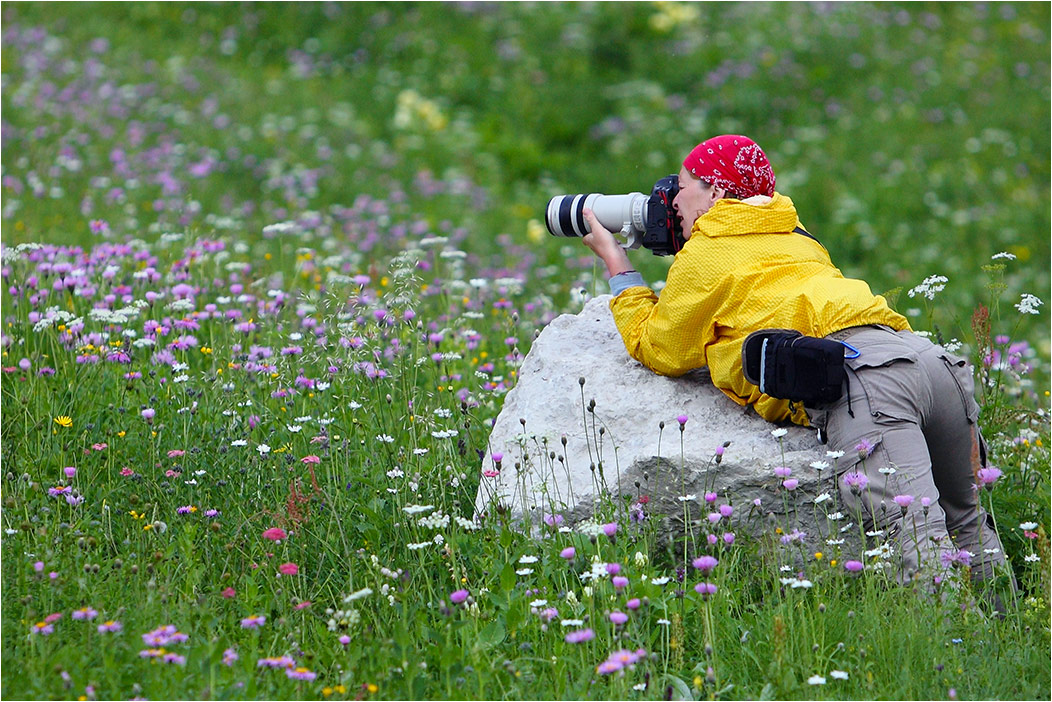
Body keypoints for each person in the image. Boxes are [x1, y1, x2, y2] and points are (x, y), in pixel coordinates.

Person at [580, 134, 1009, 591]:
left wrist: (618, 266)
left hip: (869, 383)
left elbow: (658, 348)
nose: (669, 199)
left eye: (683, 187)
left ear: (717, 193)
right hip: (930, 362)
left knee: (918, 543)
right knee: (968, 526)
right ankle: (1007, 638)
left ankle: (946, 655)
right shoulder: (796, 233)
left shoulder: (707, 253)